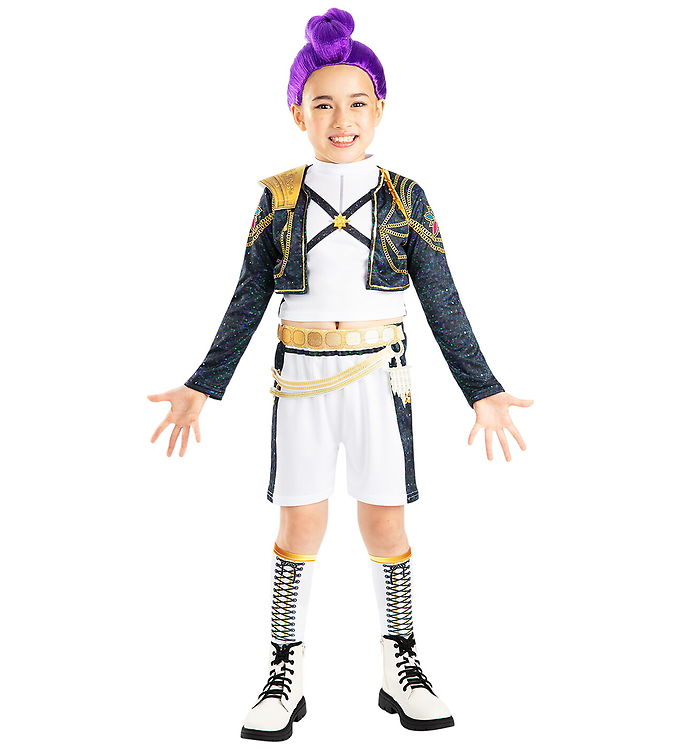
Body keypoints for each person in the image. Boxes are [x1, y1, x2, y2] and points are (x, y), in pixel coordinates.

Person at [148, 7, 532, 742]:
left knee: (385, 518)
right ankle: (282, 668)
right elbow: (249, 296)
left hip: (379, 379)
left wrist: (481, 388)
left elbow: (441, 296)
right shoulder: (279, 196)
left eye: (357, 102)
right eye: (322, 104)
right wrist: (203, 384)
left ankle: (400, 659)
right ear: (297, 113)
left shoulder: (405, 197)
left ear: (379, 107)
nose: (341, 118)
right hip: (299, 380)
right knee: (299, 519)